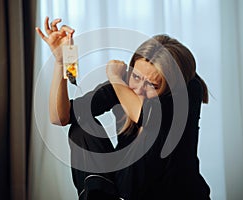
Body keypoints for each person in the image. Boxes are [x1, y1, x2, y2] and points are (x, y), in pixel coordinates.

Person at [36, 17, 211, 200]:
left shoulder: (188, 90)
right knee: (81, 126)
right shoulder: (124, 83)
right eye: (136, 77)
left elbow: (147, 117)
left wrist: (114, 77)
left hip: (173, 192)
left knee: (150, 134)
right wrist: (61, 62)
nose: (140, 89)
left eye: (152, 85)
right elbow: (59, 117)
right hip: (128, 187)